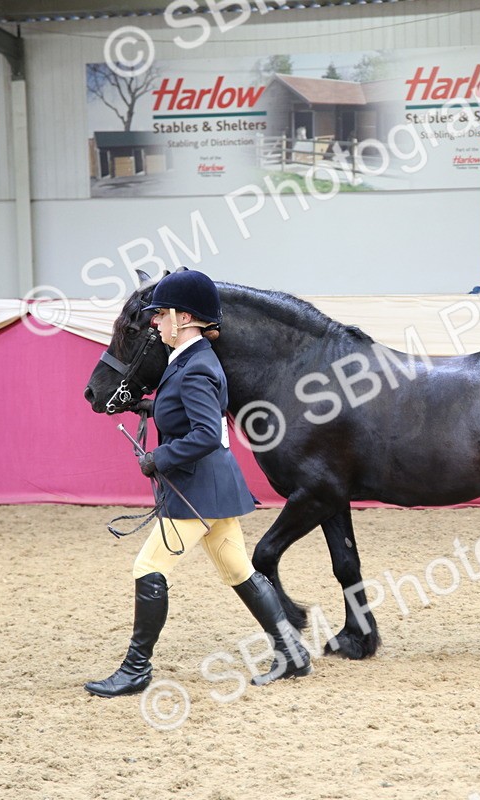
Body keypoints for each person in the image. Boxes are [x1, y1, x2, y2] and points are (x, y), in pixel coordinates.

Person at [85, 269, 311, 698]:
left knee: (148, 568)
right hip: (212, 487)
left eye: (160, 316)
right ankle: (292, 652)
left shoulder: (195, 367)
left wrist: (158, 458)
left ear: (183, 318)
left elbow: (207, 433)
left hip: (196, 491)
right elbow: (188, 413)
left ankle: (136, 670)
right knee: (238, 570)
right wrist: (149, 406)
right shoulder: (190, 360)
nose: (155, 323)